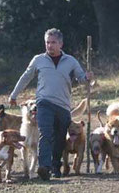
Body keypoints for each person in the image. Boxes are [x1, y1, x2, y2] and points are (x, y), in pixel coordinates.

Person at [8, 28, 93, 180]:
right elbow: (26, 77)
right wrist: (14, 95)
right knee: (45, 134)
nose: (50, 46)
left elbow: (82, 79)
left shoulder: (71, 61)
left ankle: (55, 166)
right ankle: (44, 167)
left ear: (61, 43)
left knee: (60, 137)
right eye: (47, 42)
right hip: (44, 102)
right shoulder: (38, 60)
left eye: (53, 42)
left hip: (63, 105)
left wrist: (87, 78)